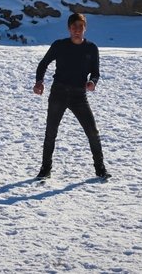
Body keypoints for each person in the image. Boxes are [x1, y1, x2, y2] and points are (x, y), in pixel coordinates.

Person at [32, 13, 109, 179]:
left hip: (79, 96)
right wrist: (39, 82)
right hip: (58, 93)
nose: (77, 30)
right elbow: (43, 64)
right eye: (74, 27)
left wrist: (92, 82)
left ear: (85, 28)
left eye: (80, 27)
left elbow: (95, 73)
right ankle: (45, 169)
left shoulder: (91, 48)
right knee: (51, 132)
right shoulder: (60, 46)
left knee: (92, 132)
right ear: (69, 28)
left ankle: (100, 169)